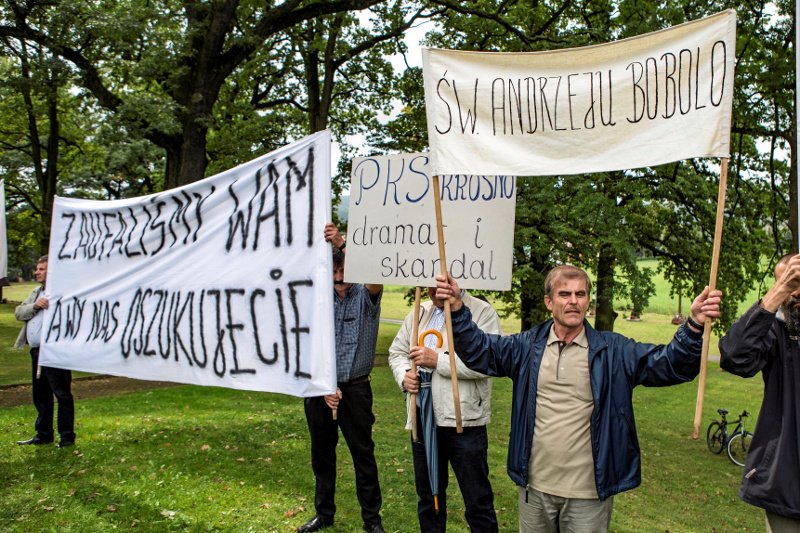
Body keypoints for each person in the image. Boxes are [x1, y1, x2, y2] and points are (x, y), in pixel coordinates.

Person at [434, 264, 722, 532]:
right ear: (549, 302)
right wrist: (458, 308)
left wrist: (694, 325)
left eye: (580, 294)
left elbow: (669, 364)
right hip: (535, 489)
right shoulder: (526, 347)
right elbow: (479, 350)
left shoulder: (613, 351)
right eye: (564, 294)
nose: (573, 301)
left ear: (587, 301)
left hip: (588, 495)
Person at [388, 287, 501, 532]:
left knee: (477, 500)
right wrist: (404, 375)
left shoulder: (482, 312)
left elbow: (487, 362)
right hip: (423, 418)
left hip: (465, 422)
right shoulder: (419, 312)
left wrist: (437, 360)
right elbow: (397, 352)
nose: (432, 290)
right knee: (429, 498)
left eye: (438, 282)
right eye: (428, 284)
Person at [297, 223, 385, 533]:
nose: (339, 280)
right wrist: (323, 385)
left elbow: (375, 275)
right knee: (322, 454)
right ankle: (324, 514)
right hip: (319, 388)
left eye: (344, 272)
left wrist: (343, 242)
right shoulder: (318, 298)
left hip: (356, 390)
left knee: (363, 455)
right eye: (334, 273)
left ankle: (372, 521)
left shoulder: (366, 295)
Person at [718, 253, 800, 532]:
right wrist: (779, 292)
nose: (796, 292)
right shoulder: (777, 333)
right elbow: (734, 356)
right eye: (790, 284)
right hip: (788, 488)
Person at [14, 254, 76, 448]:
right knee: (40, 395)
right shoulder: (35, 292)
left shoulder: (61, 293)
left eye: (41, 269)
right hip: (36, 352)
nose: (37, 272)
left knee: (62, 394)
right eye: (37, 269)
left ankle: (66, 438)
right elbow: (18, 312)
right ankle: (43, 434)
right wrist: (35, 306)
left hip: (55, 351)